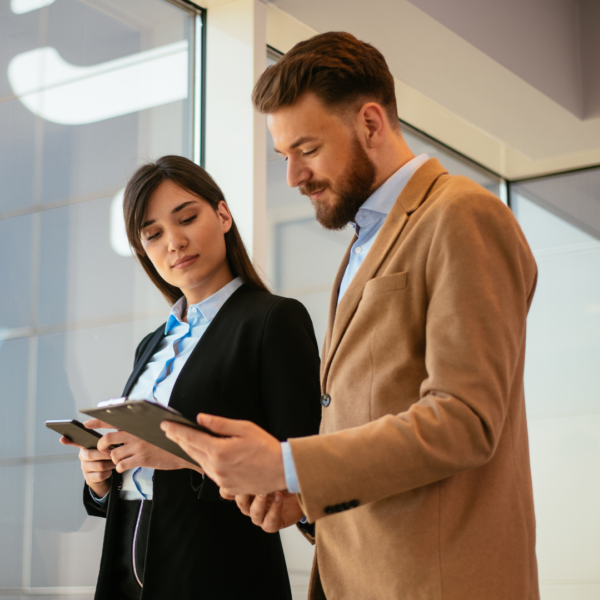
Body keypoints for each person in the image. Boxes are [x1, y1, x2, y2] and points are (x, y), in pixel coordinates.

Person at [162, 32, 540, 600]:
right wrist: (303, 495)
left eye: (307, 150)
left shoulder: (462, 215)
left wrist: (288, 462)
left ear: (370, 123)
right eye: (283, 156)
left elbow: (464, 421)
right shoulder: (366, 240)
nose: (293, 176)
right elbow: (373, 413)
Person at [59, 155, 321, 600]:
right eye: (153, 234)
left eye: (187, 218)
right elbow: (141, 474)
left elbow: (301, 467)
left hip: (219, 567)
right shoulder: (152, 344)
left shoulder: (272, 320)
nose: (174, 242)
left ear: (222, 215)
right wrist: (102, 475)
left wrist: (179, 452)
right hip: (128, 566)